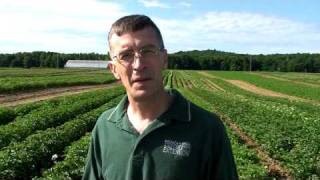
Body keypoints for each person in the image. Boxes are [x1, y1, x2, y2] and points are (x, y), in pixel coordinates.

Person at [82, 14, 238, 180]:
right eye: (126, 55)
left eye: (148, 51)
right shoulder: (105, 126)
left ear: (164, 59)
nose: (138, 65)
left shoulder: (207, 129)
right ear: (113, 69)